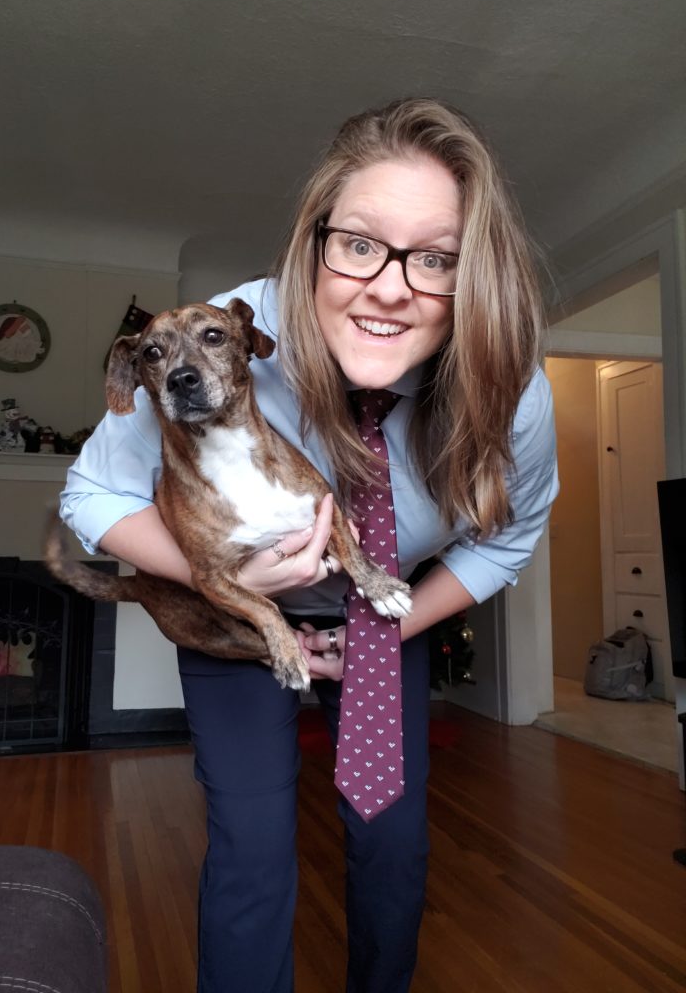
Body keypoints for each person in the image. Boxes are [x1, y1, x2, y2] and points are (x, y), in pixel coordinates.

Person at [61, 98, 559, 993]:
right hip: (237, 623)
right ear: (314, 242)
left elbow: (507, 541)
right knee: (251, 843)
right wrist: (221, 577)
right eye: (360, 242)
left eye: (437, 257)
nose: (391, 285)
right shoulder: (218, 336)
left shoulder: (508, 385)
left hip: (382, 613)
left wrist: (384, 633)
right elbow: (91, 493)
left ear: (475, 275)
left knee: (393, 840)